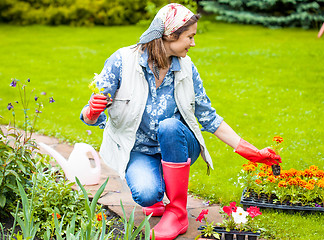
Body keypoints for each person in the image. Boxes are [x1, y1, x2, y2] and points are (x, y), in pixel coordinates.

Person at [80, 3, 281, 240]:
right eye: (190, 36)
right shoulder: (122, 61)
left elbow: (209, 117)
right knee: (146, 194)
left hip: (178, 143)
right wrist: (91, 114)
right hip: (139, 149)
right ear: (169, 35)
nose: (193, 43)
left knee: (170, 126)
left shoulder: (187, 68)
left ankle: (177, 213)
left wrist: (250, 150)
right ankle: (156, 193)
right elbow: (95, 109)